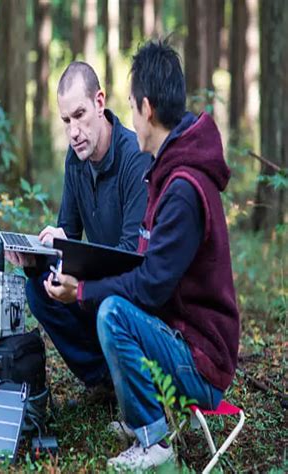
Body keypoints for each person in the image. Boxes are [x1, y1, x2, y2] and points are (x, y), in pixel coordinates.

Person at [43, 41, 240, 470]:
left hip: (201, 360)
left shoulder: (183, 189)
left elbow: (149, 286)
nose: (128, 117)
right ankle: (137, 412)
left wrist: (84, 292)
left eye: (130, 106)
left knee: (113, 312)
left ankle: (154, 442)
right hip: (177, 337)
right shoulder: (168, 172)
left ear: (146, 108)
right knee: (103, 303)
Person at [7, 61, 150, 389]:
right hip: (97, 288)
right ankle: (103, 380)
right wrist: (39, 258)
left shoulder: (135, 158)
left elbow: (131, 257)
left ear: (100, 103)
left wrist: (79, 281)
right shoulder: (75, 160)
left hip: (131, 296)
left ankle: (128, 374)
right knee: (38, 287)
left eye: (80, 115)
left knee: (99, 298)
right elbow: (68, 238)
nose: (73, 131)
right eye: (66, 120)